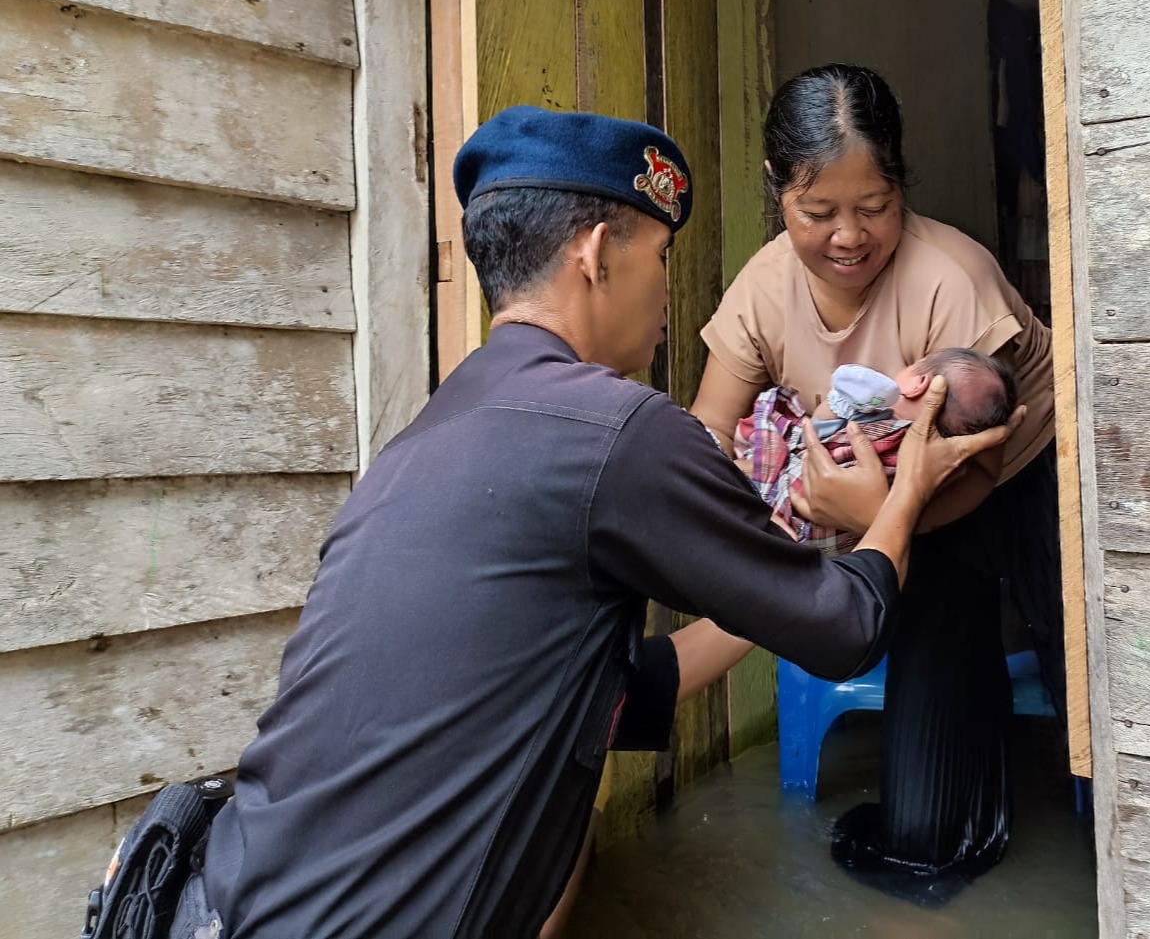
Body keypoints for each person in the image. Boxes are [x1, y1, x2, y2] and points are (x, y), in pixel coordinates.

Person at [183, 105, 1012, 939]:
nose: (667, 290)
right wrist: (900, 498)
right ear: (592, 256)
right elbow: (846, 629)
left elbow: (620, 693)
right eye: (658, 256)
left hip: (234, 898)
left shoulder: (428, 435)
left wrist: (779, 570)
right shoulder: (619, 429)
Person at [692, 64, 1057, 882]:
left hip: (998, 487)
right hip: (880, 509)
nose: (848, 236)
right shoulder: (763, 287)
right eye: (816, 212)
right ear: (777, 189)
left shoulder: (948, 278)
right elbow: (709, 430)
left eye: (875, 207)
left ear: (903, 184)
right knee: (922, 830)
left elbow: (975, 470)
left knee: (1073, 713)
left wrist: (878, 516)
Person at [734, 349, 1018, 554]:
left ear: (918, 385)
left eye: (915, 365)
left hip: (791, 494)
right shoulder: (939, 466)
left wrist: (847, 400)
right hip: (821, 544)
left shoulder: (876, 416)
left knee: (775, 429)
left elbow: (820, 428)